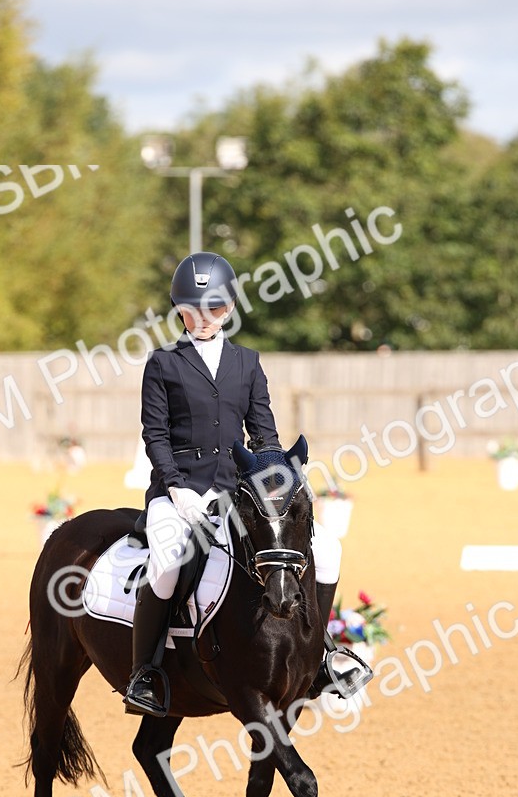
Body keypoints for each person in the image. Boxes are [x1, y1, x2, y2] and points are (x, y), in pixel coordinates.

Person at [123, 251, 349, 716]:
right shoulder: (163, 363)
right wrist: (174, 486)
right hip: (179, 490)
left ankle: (319, 655)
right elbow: (156, 434)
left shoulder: (247, 363)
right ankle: (145, 673)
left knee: (327, 550)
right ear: (178, 309)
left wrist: (274, 485)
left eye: (214, 309)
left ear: (228, 309)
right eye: (191, 309)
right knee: (167, 561)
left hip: (234, 491)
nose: (203, 318)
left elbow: (263, 435)